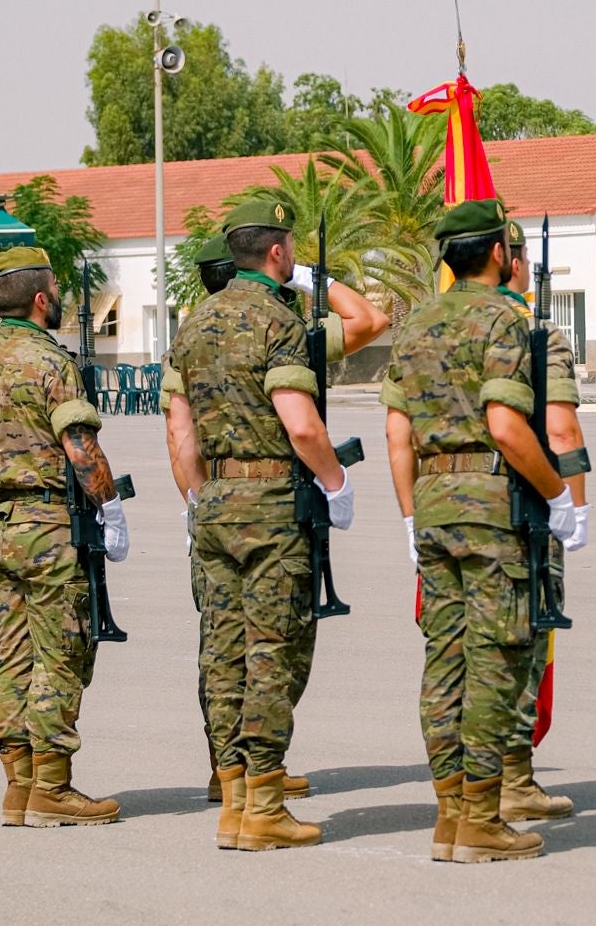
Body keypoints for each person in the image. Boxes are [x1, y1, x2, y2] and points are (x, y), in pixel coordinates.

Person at [380, 198, 577, 864]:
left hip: (433, 503)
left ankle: (450, 815)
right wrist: (558, 496)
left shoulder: (414, 325)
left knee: (445, 661)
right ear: (498, 252)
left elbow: (398, 434)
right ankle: (483, 820)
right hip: (493, 507)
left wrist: (411, 514)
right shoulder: (508, 320)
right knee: (495, 660)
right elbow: (506, 425)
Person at [163, 233, 389, 804]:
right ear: (273, 256)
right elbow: (369, 323)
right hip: (272, 503)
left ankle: (229, 774)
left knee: (222, 646)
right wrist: (336, 483)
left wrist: (199, 500)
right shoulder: (285, 327)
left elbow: (179, 434)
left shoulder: (190, 333)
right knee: (275, 645)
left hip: (214, 500)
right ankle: (261, 783)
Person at [0, 247, 131, 826]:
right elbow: (80, 447)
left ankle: (18, 787)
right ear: (41, 298)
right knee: (61, 653)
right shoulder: (52, 363)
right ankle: (52, 788)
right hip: (50, 527)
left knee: (13, 655)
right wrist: (110, 508)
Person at [496, 220, 589, 821]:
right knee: (522, 643)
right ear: (507, 259)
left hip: (443, 510)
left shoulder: (427, 327)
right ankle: (511, 781)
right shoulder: (534, 332)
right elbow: (561, 431)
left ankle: (460, 789)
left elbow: (400, 432)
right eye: (525, 255)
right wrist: (574, 504)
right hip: (520, 507)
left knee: (458, 653)